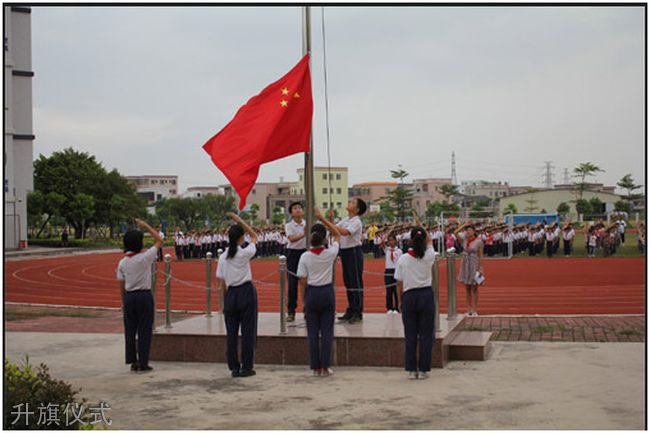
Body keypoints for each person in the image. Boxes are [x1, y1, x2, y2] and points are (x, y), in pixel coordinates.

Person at [297, 207, 341, 377]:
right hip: (327, 292)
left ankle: (315, 367)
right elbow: (337, 234)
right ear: (324, 239)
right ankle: (326, 366)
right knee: (327, 331)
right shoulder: (329, 253)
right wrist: (323, 219)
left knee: (313, 333)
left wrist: (304, 299)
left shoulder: (305, 256)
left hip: (312, 293)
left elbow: (302, 280)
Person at [116, 218, 163, 373]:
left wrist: (123, 302)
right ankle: (143, 362)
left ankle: (132, 361)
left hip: (129, 297)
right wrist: (146, 226)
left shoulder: (122, 263)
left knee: (130, 330)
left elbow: (121, 285)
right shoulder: (145, 258)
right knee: (144, 330)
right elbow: (159, 239)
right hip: (143, 296)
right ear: (139, 244)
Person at [394, 211, 437, 380]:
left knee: (410, 334)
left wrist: (399, 301)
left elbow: (399, 282)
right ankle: (424, 369)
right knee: (426, 334)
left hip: (409, 296)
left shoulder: (403, 259)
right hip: (426, 295)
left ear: (410, 240)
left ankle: (412, 369)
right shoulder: (429, 255)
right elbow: (430, 240)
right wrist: (422, 226)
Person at [216, 212, 259, 378]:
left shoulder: (222, 257)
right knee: (248, 331)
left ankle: (234, 366)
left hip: (231, 293)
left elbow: (221, 283)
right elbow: (254, 236)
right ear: (241, 238)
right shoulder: (244, 253)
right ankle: (247, 366)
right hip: (246, 291)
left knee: (231, 333)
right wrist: (241, 221)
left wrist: (223, 302)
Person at [333, 198, 367, 324]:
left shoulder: (356, 221)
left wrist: (325, 220)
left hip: (353, 252)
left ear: (357, 209)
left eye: (352, 203)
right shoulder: (345, 219)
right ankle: (351, 309)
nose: (349, 203)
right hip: (345, 252)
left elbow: (345, 232)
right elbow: (335, 228)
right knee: (348, 282)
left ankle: (358, 311)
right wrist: (329, 221)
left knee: (355, 282)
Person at [455, 221, 484, 317]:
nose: (468, 232)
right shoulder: (464, 241)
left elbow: (481, 256)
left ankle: (475, 309)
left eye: (470, 230)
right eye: (467, 231)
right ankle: (469, 309)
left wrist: (480, 268)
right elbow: (455, 233)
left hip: (474, 265)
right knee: (467, 288)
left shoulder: (479, 242)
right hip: (465, 265)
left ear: (474, 231)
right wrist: (464, 225)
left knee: (474, 288)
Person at [285, 202, 307, 323]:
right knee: (292, 284)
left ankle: (307, 309)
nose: (298, 210)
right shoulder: (289, 225)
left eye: (299, 208)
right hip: (293, 254)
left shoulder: (307, 224)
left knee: (306, 282)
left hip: (304, 253)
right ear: (291, 212)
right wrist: (304, 233)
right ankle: (291, 311)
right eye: (295, 208)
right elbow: (291, 239)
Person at [382, 233, 402, 314]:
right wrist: (388, 232)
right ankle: (389, 307)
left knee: (396, 290)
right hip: (388, 271)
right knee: (389, 290)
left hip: (396, 270)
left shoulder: (399, 251)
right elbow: (382, 242)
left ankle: (397, 307)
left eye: (392, 240)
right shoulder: (387, 249)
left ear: (395, 241)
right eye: (389, 240)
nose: (391, 242)